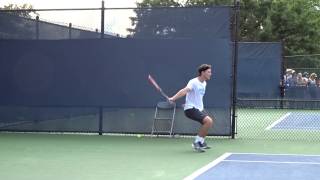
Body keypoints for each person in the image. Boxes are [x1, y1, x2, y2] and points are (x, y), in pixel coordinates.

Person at [168, 64, 214, 152]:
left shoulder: (204, 83)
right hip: (190, 109)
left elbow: (195, 96)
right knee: (208, 121)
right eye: (208, 72)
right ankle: (196, 143)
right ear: (202, 72)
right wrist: (173, 98)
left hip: (198, 108)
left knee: (209, 123)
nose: (210, 74)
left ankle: (201, 142)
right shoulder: (193, 82)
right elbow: (185, 90)